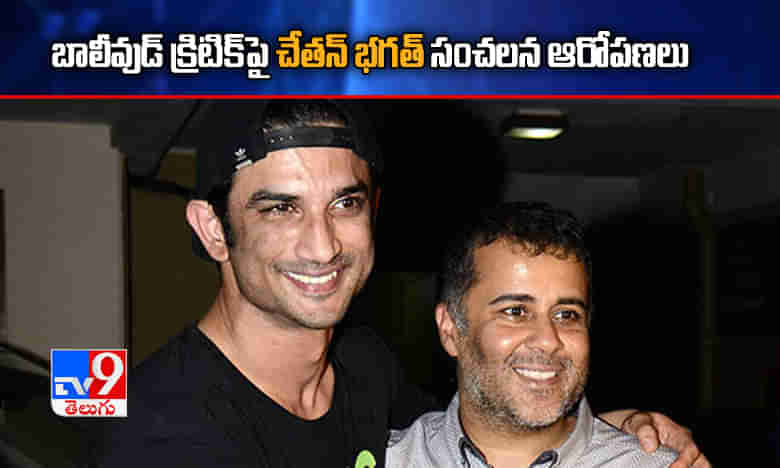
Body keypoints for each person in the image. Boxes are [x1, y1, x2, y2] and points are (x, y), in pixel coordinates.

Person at [89, 101, 706, 468]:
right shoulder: (163, 428)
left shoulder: (364, 368)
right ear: (213, 230)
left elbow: (470, 433)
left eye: (345, 204)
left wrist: (599, 430)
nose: (322, 245)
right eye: (280, 208)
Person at [387, 202, 701, 467]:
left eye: (566, 315)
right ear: (450, 329)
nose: (549, 340)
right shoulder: (383, 459)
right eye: (515, 312)